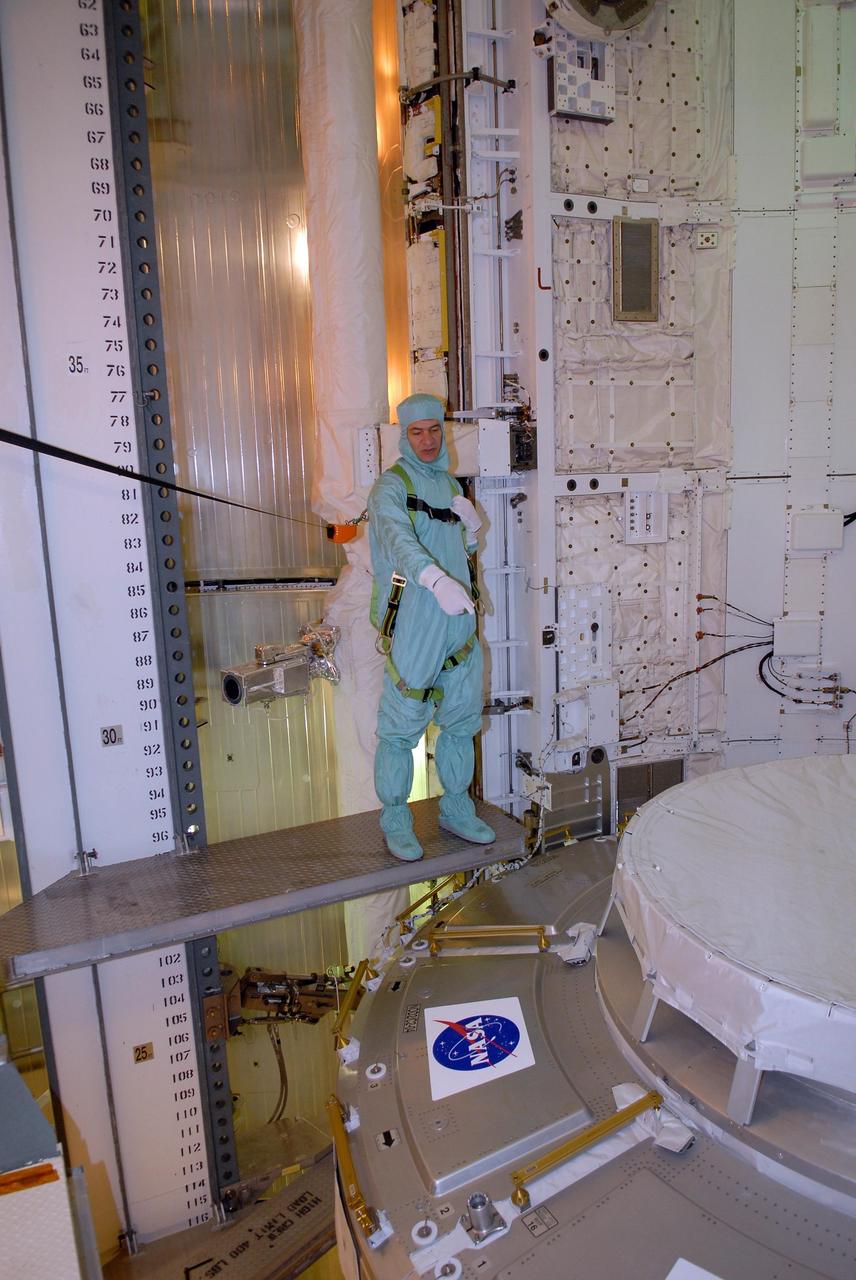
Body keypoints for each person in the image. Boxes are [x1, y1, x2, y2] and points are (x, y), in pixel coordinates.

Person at [368, 393, 496, 861]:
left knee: (461, 720)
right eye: (416, 432)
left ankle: (456, 806)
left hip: (458, 625)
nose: (427, 440)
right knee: (402, 726)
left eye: (434, 430)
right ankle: (396, 816)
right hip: (419, 624)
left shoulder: (448, 485)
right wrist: (435, 580)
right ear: (403, 436)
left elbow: (457, 548)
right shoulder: (389, 488)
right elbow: (398, 541)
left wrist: (471, 532)